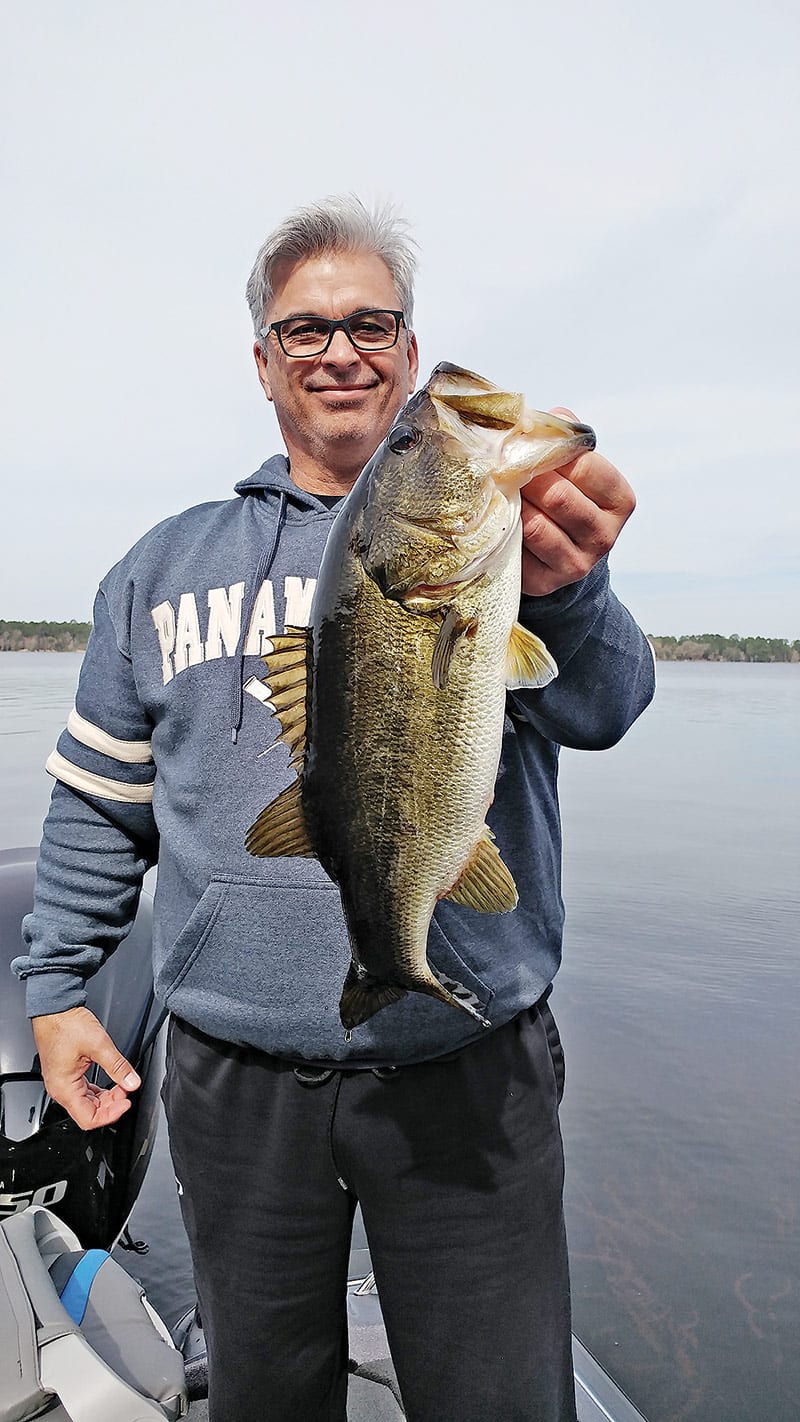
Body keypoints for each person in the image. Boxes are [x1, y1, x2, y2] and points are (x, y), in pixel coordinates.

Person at [14, 195, 655, 1422]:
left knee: (499, 1401)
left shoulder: (503, 544)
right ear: (263, 363)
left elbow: (607, 706)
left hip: (465, 1067)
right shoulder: (159, 566)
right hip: (234, 1082)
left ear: (407, 355)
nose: (341, 352)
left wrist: (569, 593)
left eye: (373, 325)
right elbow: (99, 807)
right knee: (262, 1398)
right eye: (305, 331)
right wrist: (54, 993)